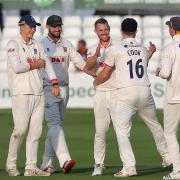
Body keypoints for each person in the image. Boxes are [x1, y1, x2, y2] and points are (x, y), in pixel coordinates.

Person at [93, 18, 171, 177]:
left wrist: (96, 81)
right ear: (136, 31)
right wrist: (151, 52)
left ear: (122, 31)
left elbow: (106, 72)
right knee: (155, 125)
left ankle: (129, 167)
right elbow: (141, 61)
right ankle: (168, 157)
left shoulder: (115, 48)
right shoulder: (142, 49)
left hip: (126, 92)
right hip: (144, 90)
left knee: (122, 131)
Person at [40, 15, 95, 174]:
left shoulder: (67, 44)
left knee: (55, 127)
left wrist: (93, 74)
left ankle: (47, 162)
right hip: (49, 88)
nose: (57, 29)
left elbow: (80, 63)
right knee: (54, 124)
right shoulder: (41, 44)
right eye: (54, 26)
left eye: (59, 26)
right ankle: (65, 160)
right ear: (48, 27)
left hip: (65, 89)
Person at [6, 15, 60, 176]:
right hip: (21, 92)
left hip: (38, 92)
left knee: (36, 132)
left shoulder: (37, 44)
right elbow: (17, 67)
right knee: (20, 130)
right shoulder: (13, 43)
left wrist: (54, 82)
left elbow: (47, 64)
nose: (33, 29)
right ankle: (11, 165)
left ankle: (31, 167)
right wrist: (35, 65)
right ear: (21, 26)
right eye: (30, 26)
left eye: (35, 26)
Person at [157, 16, 180, 180]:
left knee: (170, 133)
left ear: (172, 29)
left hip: (174, 97)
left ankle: (178, 171)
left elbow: (165, 73)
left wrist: (158, 71)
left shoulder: (170, 47)